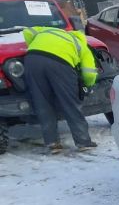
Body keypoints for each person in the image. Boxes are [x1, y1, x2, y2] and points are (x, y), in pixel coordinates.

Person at [22, 26, 99, 154]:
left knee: (42, 103)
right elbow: (90, 73)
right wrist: (87, 85)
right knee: (71, 104)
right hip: (60, 63)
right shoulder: (81, 45)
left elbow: (27, 31)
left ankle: (52, 143)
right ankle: (83, 142)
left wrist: (36, 45)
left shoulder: (46, 31)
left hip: (32, 59)